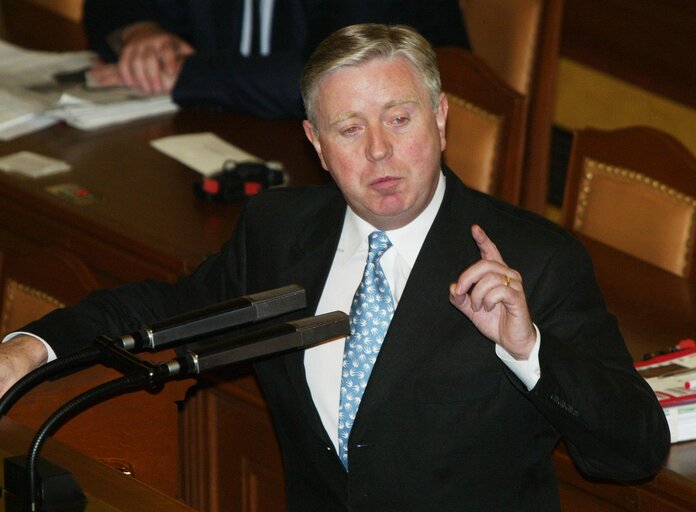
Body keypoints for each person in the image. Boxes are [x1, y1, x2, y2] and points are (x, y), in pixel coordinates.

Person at [1, 23, 669, 511]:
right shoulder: (282, 231)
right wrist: (34, 345)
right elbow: (163, 312)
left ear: (440, 119)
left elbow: (633, 451)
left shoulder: (535, 263)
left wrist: (529, 350)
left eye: (399, 119)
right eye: (349, 129)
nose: (379, 153)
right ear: (316, 145)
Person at [82, 0, 470, 118]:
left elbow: (323, 79)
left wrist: (187, 72)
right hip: (252, 134)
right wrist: (140, 31)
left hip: (388, 166)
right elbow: (106, 8)